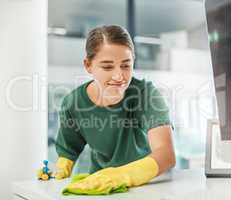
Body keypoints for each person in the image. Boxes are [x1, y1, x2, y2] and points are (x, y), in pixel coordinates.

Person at [54, 25, 175, 194]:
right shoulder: (73, 103)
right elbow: (69, 150)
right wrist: (60, 171)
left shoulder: (146, 95)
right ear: (88, 65)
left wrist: (120, 176)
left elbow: (166, 155)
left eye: (126, 66)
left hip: (146, 187)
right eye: (108, 67)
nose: (119, 76)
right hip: (99, 189)